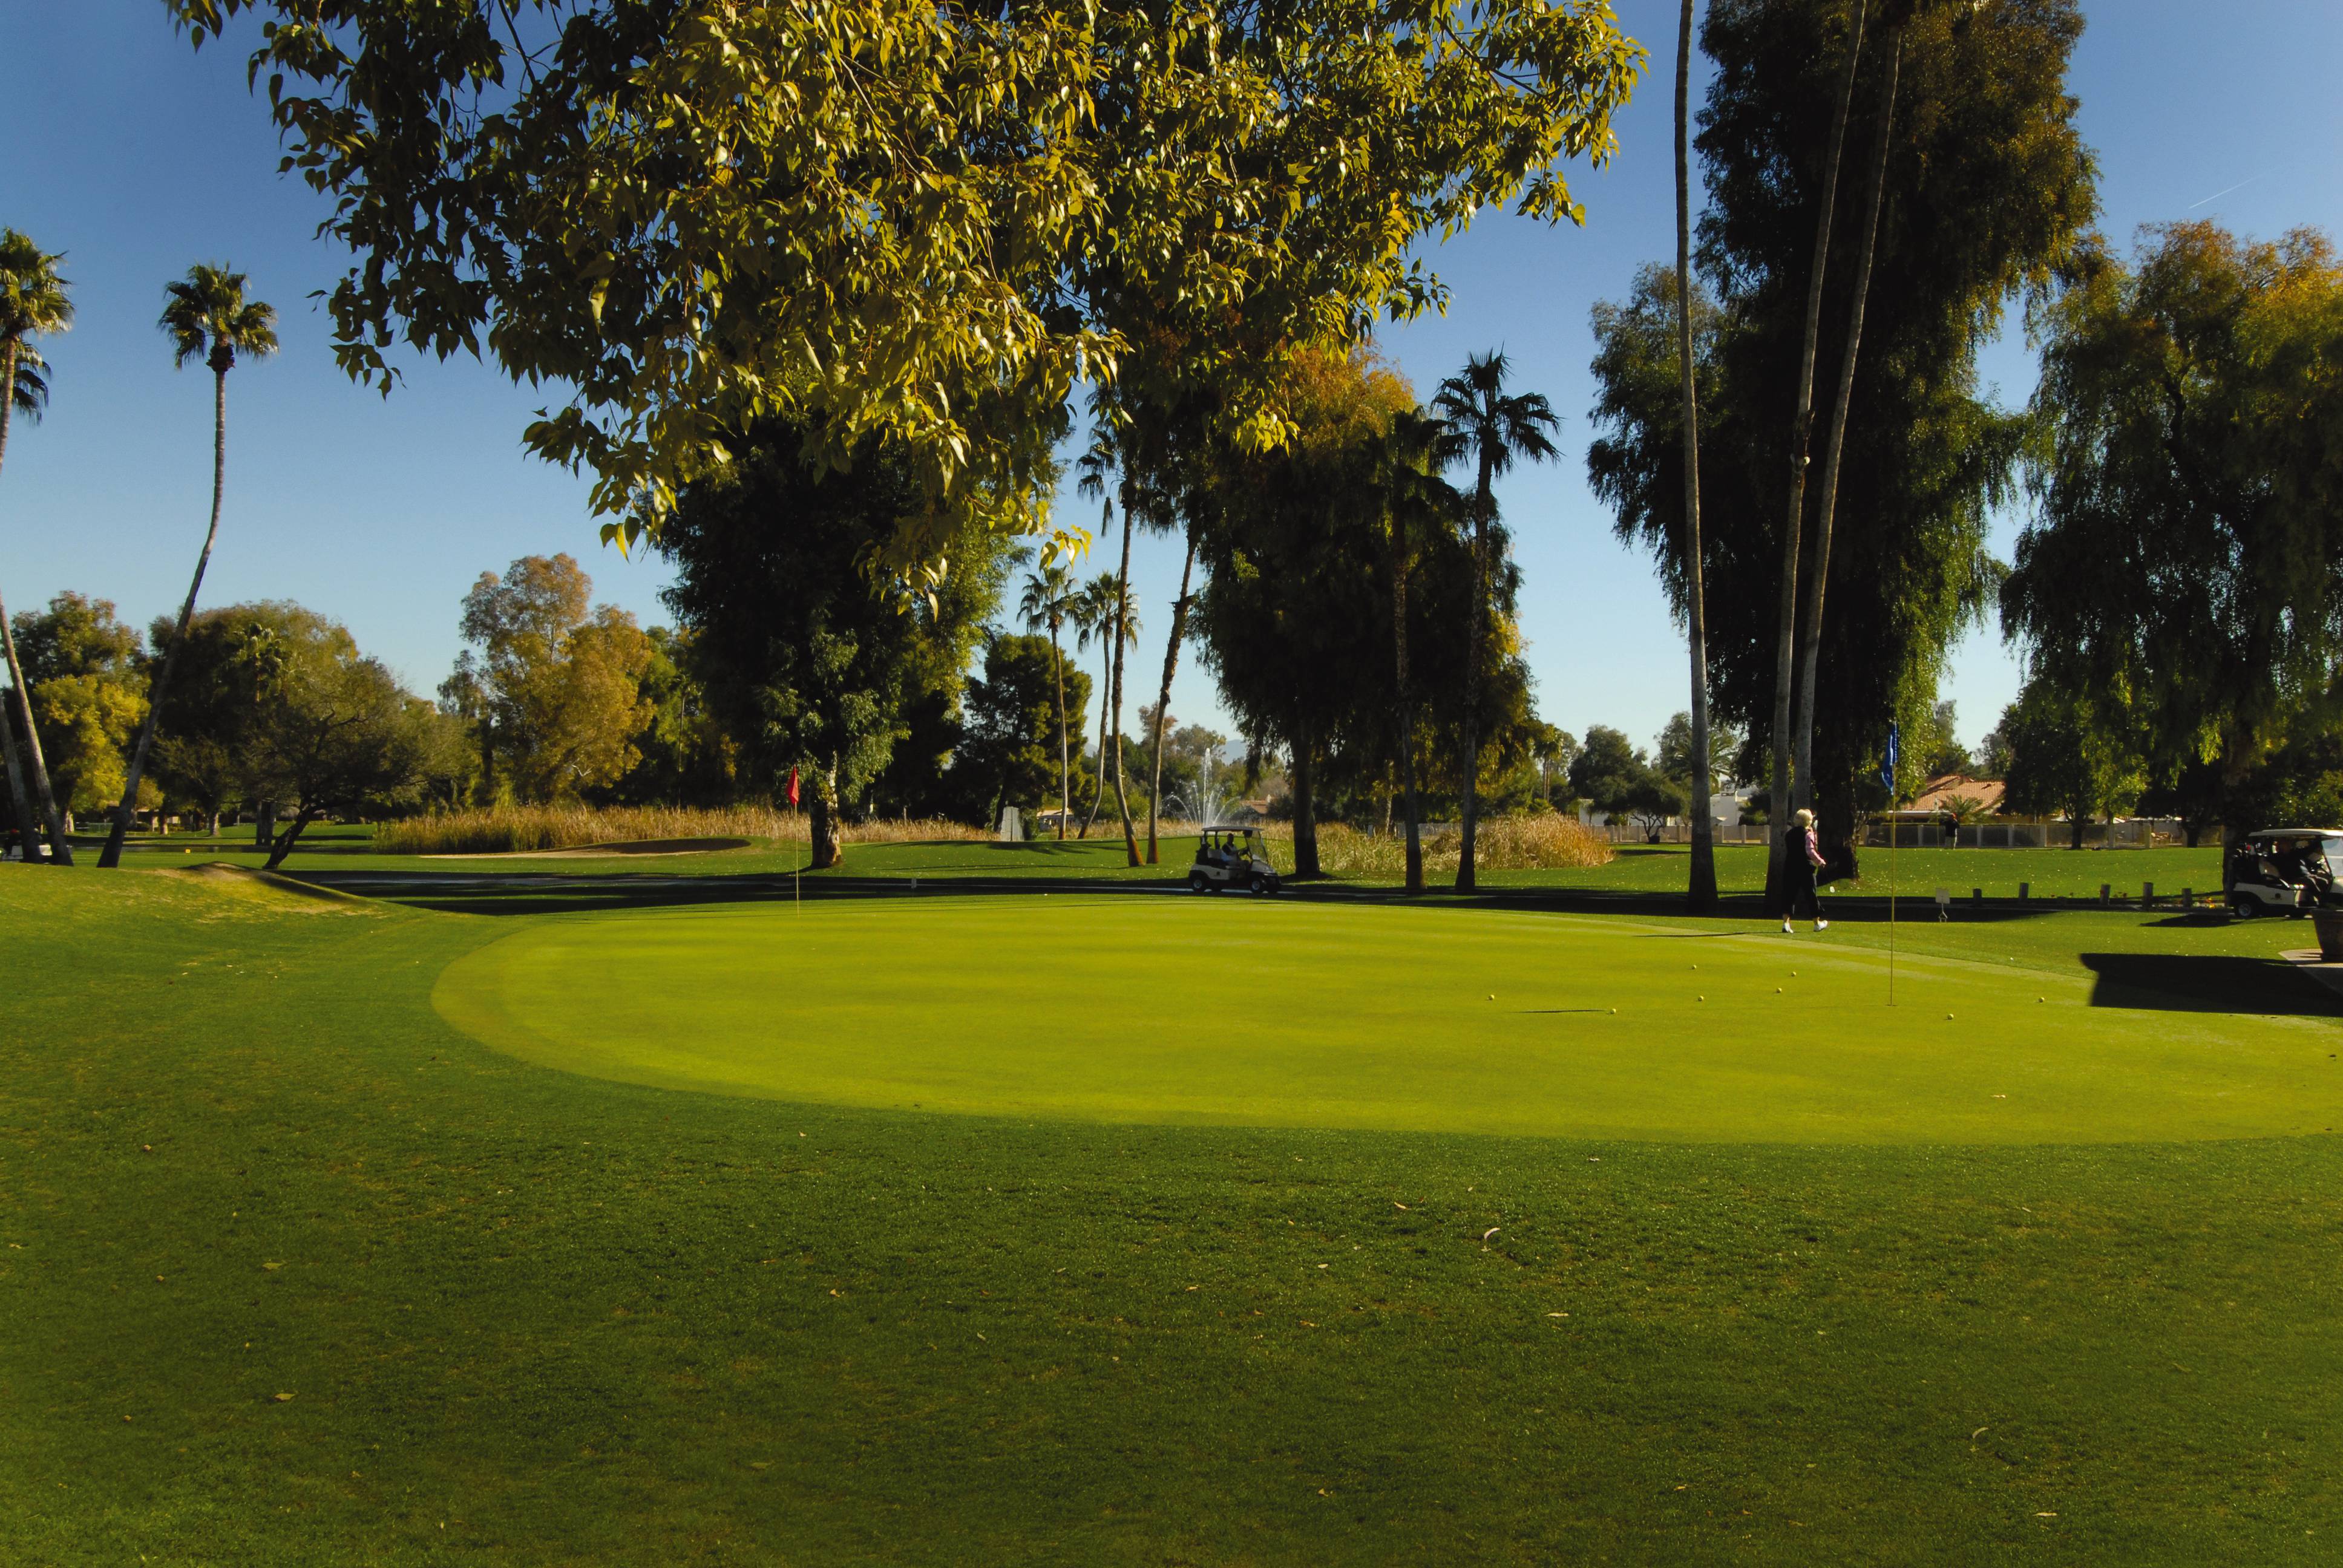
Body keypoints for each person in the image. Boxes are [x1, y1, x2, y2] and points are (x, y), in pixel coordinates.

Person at [1781, 807, 1829, 933]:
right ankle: (1817, 923)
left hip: (1790, 866)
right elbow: (1810, 851)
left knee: (1789, 895)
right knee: (1811, 895)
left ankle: (1786, 923)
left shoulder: (1789, 834)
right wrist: (1820, 862)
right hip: (1805, 868)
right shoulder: (1808, 834)